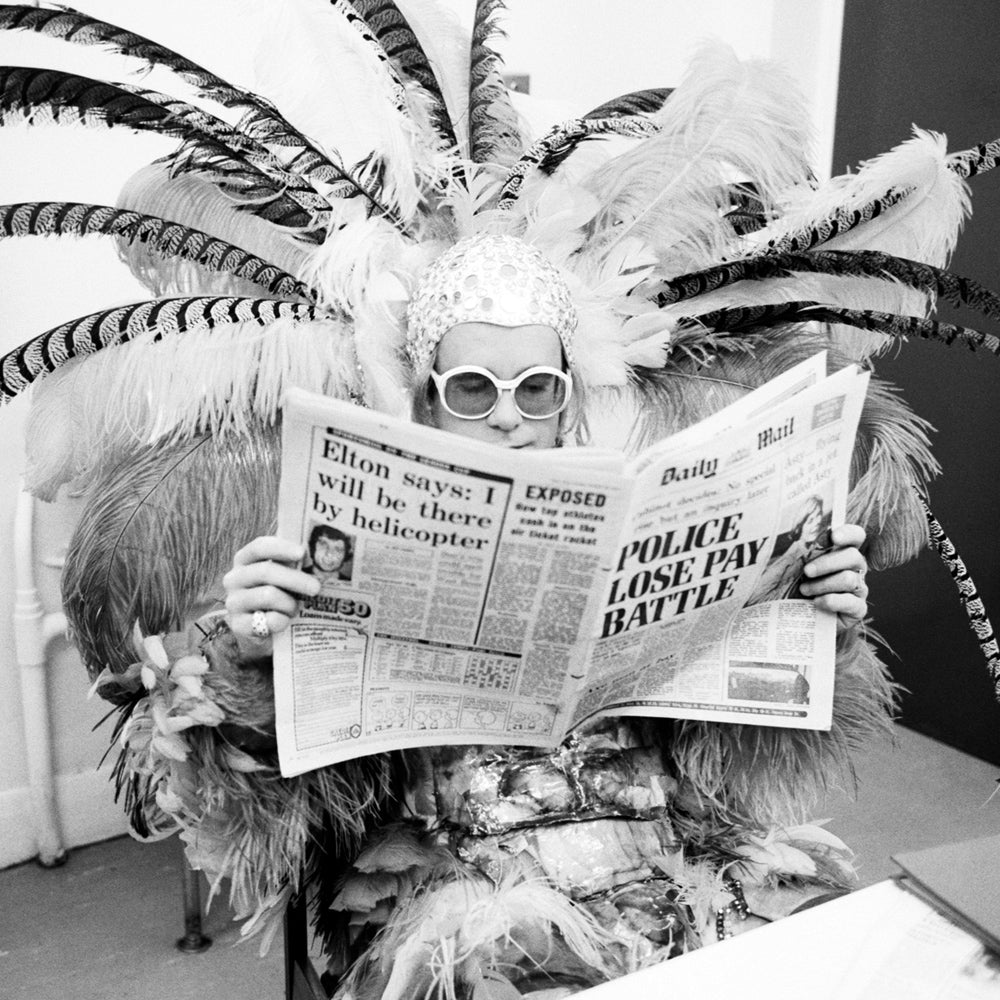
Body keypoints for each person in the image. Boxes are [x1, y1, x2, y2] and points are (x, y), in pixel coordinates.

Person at [219, 235, 873, 995]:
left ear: (566, 397)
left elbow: (737, 749)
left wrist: (819, 619)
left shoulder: (629, 511)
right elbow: (284, 816)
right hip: (474, 908)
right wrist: (253, 661)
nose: (508, 418)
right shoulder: (338, 539)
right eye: (472, 389)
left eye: (535, 389)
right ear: (428, 400)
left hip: (671, 864)